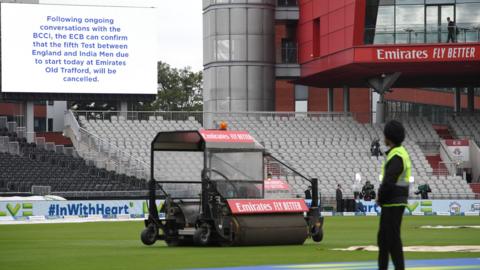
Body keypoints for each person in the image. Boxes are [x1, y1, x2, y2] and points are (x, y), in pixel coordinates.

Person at [377, 120, 411, 270]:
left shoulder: (396, 155)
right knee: (384, 240)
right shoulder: (399, 153)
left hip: (393, 202)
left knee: (391, 241)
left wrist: (380, 197)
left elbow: (389, 180)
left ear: (388, 137)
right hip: (394, 201)